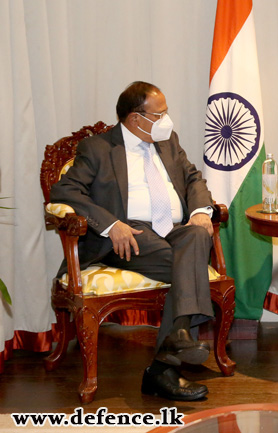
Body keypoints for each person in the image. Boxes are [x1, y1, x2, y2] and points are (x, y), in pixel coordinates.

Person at [51, 81, 215, 401]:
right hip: (130, 235)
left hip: (173, 229)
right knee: (189, 266)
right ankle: (166, 366)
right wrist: (111, 224)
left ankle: (172, 346)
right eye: (160, 113)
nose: (167, 120)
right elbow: (65, 191)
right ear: (135, 118)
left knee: (196, 236)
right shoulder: (97, 148)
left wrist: (200, 212)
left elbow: (193, 177)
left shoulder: (168, 141)